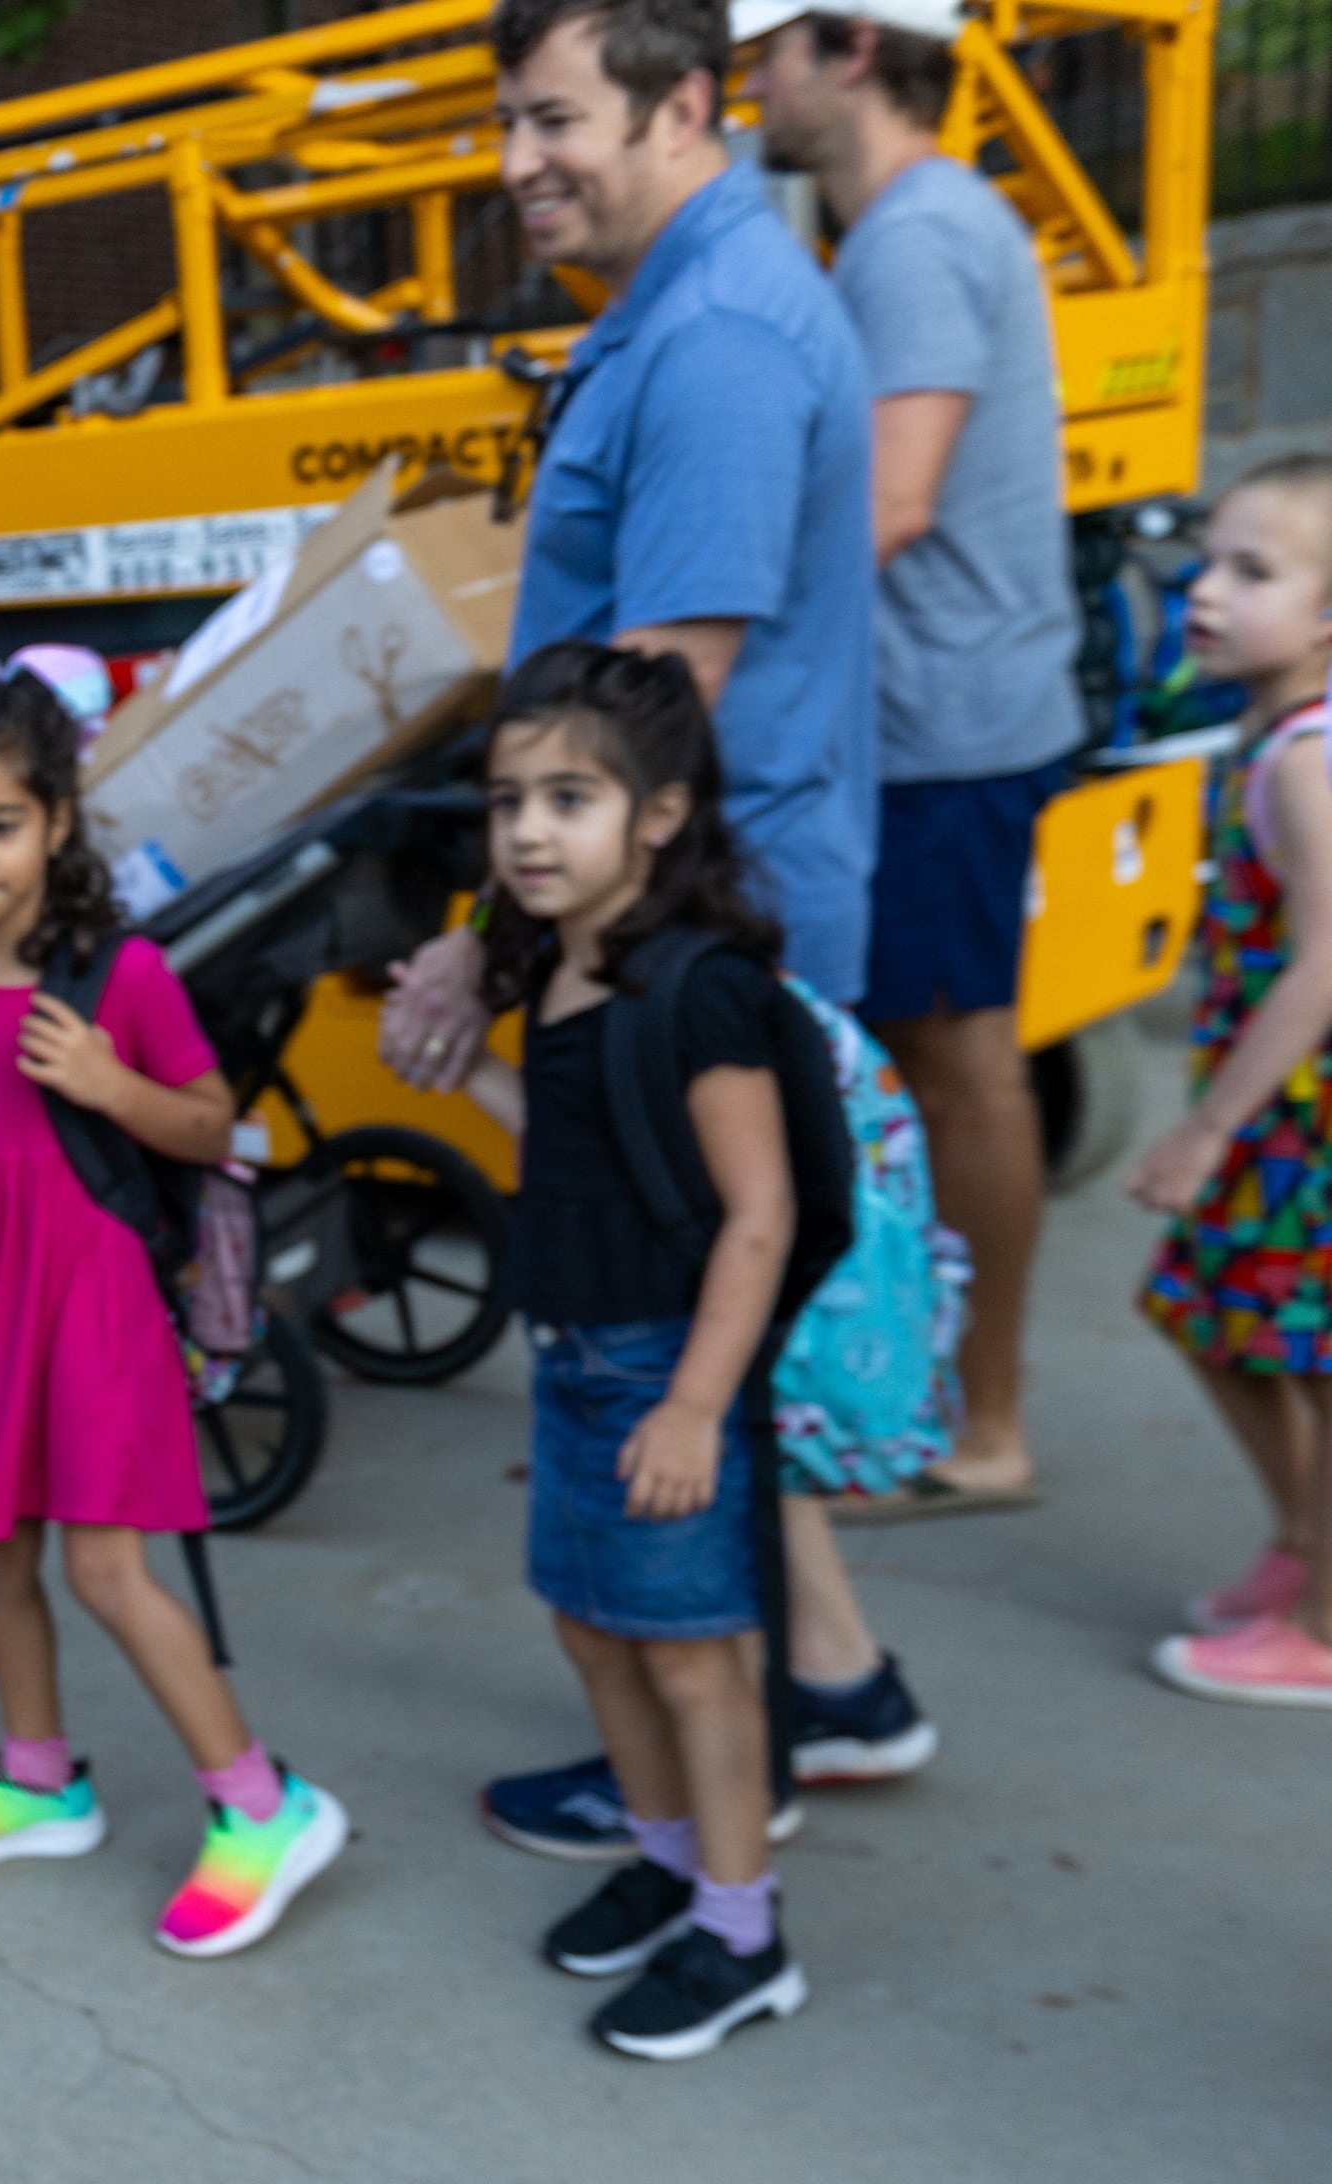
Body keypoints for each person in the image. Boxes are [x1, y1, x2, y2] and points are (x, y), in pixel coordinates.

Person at [395, 0, 926, 1853]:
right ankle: (826, 1695)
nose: (518, 160)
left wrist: (490, 939)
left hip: (704, 954)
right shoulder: (677, 310)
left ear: (686, 105)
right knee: (689, 1355)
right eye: (507, 121)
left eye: (554, 119)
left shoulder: (712, 341)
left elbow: (656, 705)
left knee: (670, 1344)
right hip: (697, 926)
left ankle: (710, 1805)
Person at [0, 664, 352, 1957]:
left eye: (1, 825)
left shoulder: (117, 972)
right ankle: (38, 1779)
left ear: (58, 825)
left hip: (95, 1295)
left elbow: (209, 1124)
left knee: (104, 1566)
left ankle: (263, 1802)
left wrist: (105, 1079)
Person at [743, 0, 1082, 1516]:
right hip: (959, 710)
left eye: (767, 54)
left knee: (958, 1066)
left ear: (852, 52)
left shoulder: (913, 238)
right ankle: (948, 1401)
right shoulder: (921, 226)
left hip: (945, 722)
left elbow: (892, 501)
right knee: (949, 1065)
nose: (753, 85)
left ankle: (983, 1425)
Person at [453, 644, 808, 2060]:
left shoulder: (702, 991)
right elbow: (588, 1154)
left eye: (571, 796)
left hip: (666, 1366)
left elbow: (758, 1213)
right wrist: (468, 1079)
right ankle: (666, 1862)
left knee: (695, 1661)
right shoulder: (565, 972)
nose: (530, 830)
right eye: (508, 799)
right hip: (579, 1356)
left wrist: (696, 1407)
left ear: (658, 815)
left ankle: (744, 1932)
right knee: (594, 1626)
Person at [1135, 459, 1332, 1707]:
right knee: (1204, 1308)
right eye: (1209, 562)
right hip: (1280, 1110)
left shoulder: (1300, 761)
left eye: (1253, 572)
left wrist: (1210, 1124)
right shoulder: (1276, 733)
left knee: (1312, 1352)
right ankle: (1306, 1540)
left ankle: (1320, 1627)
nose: (1208, 591)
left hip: (1296, 1118)